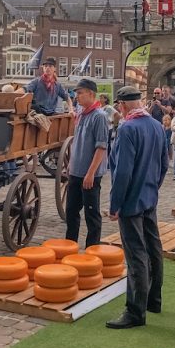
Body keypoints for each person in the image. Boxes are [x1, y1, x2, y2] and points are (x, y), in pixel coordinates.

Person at [106, 86, 168, 330]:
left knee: (136, 255)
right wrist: (153, 188)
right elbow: (164, 163)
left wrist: (115, 205)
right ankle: (154, 300)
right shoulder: (155, 125)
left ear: (122, 105)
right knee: (154, 248)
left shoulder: (127, 128)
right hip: (149, 197)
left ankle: (135, 311)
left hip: (131, 201)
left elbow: (122, 172)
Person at [65, 79, 108, 247]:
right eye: (76, 94)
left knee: (92, 214)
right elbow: (77, 141)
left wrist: (90, 173)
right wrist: (71, 163)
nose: (77, 97)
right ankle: (69, 246)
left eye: (80, 93)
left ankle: (92, 250)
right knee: (71, 212)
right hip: (76, 172)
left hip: (90, 175)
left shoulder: (99, 116)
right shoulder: (82, 114)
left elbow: (101, 147)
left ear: (91, 93)